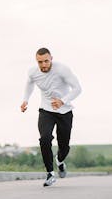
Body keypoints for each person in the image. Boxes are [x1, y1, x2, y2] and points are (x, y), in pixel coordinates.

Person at [20, 47, 82, 187]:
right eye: (40, 62)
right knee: (45, 138)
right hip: (46, 110)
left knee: (64, 147)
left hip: (65, 111)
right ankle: (50, 173)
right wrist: (25, 100)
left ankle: (60, 161)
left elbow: (78, 88)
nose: (43, 65)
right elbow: (29, 84)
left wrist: (62, 101)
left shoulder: (62, 69)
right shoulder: (33, 72)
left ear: (51, 59)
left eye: (46, 61)